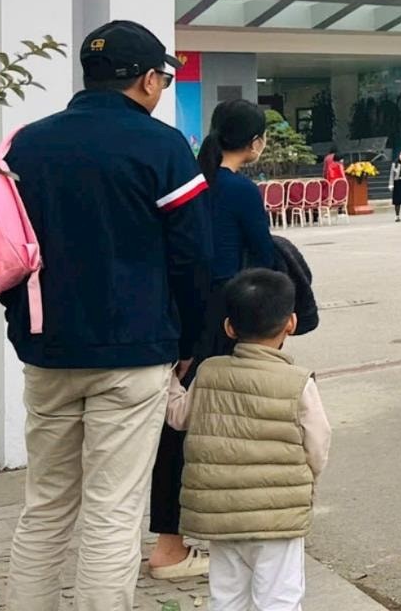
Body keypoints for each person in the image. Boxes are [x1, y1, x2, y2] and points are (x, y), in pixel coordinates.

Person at [2, 21, 208, 611]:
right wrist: (189, 343)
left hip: (48, 349)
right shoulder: (162, 146)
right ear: (147, 80)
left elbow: (8, 245)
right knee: (113, 511)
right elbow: (192, 257)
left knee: (45, 506)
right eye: (163, 77)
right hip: (134, 352)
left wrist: (26, 326)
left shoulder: (26, 145)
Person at [149, 101, 280, 581]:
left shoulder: (190, 181)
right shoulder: (240, 190)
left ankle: (173, 540)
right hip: (225, 319)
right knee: (225, 427)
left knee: (179, 427)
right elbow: (265, 259)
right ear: (255, 143)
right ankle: (187, 546)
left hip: (181, 314)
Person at [166, 269, 331, 611]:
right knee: (279, 598)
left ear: (229, 327)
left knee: (227, 596)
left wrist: (169, 379)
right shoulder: (298, 382)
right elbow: (318, 441)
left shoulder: (209, 372)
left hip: (221, 515)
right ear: (291, 323)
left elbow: (178, 417)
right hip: (277, 517)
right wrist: (307, 479)